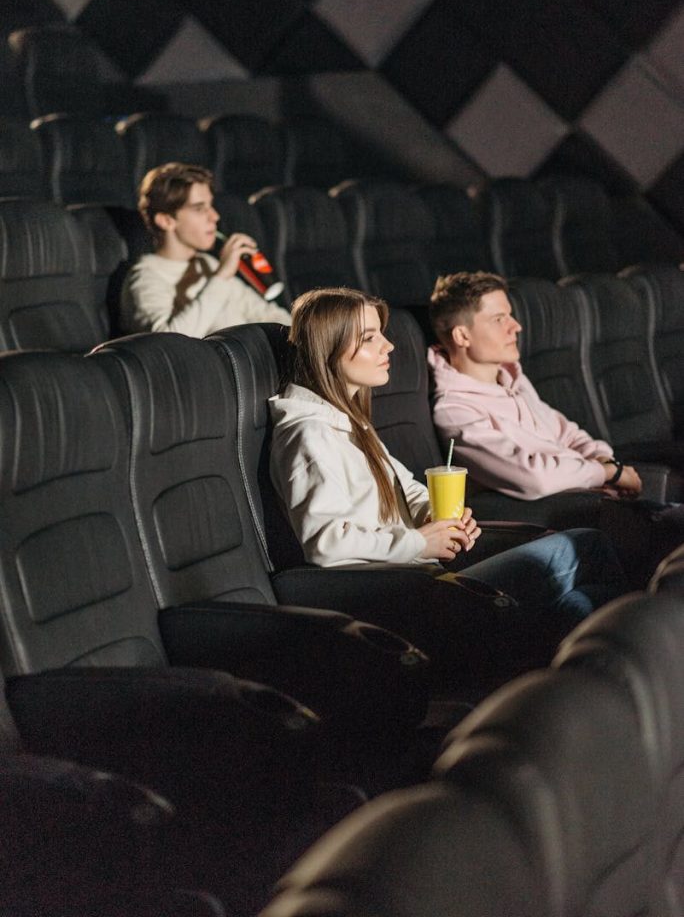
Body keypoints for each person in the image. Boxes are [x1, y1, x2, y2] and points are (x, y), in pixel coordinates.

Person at [269, 287, 625, 652]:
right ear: (329, 348)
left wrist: (439, 518)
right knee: (584, 545)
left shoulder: (348, 422)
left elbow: (403, 487)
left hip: (422, 575)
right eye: (370, 338)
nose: (388, 347)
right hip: (399, 596)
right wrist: (421, 541)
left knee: (581, 604)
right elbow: (325, 544)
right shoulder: (309, 434)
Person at [427, 271, 684, 584]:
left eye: (511, 316)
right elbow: (533, 475)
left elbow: (567, 432)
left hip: (587, 493)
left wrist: (605, 462)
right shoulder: (455, 410)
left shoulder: (511, 380)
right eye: (499, 319)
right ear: (462, 336)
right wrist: (606, 473)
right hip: (556, 512)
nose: (516, 326)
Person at [119, 162, 291, 337]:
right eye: (200, 209)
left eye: (211, 206)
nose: (215, 217)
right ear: (166, 221)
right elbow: (169, 341)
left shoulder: (207, 263)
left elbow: (266, 314)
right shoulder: (145, 276)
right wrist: (221, 276)